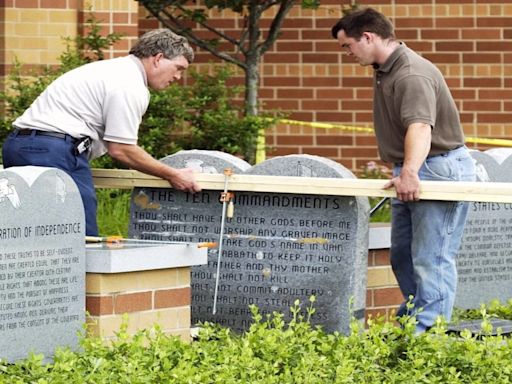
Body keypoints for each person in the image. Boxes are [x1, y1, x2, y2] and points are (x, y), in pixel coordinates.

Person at [331, 8, 476, 333]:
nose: (347, 53)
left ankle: (429, 338)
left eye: (348, 46)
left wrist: (410, 171)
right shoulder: (386, 69)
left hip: (436, 169)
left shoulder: (411, 73)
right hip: (415, 167)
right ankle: (415, 325)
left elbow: (421, 127)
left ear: (368, 37)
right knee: (403, 257)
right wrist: (404, 169)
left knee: (431, 259)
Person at [2, 29, 201, 236]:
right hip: (54, 152)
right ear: (158, 58)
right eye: (178, 68)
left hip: (19, 145)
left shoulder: (110, 70)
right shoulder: (130, 85)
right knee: (78, 238)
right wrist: (174, 175)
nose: (178, 76)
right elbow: (122, 149)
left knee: (26, 236)